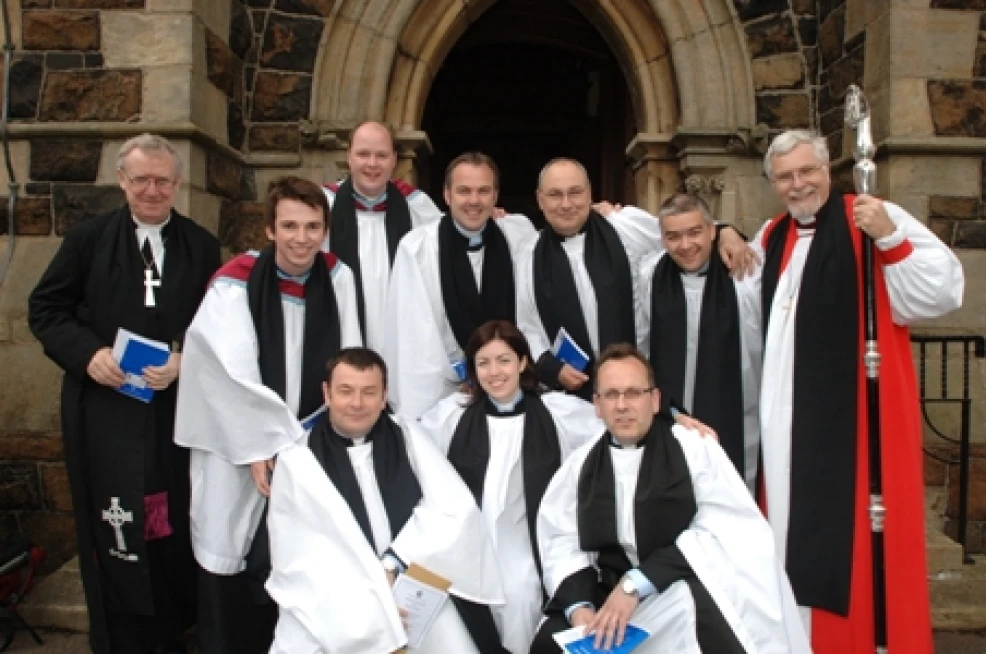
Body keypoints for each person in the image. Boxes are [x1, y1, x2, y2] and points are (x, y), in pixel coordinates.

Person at [753, 129, 964, 653]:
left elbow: (942, 290)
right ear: (773, 184)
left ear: (828, 169)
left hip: (848, 422)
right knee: (782, 529)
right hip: (782, 425)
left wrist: (891, 237)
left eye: (807, 171)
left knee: (848, 543)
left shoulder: (868, 215)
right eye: (785, 176)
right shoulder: (769, 235)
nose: (798, 184)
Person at [28, 134, 220, 654]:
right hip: (105, 411)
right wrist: (88, 354)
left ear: (177, 184)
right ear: (122, 181)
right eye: (142, 180)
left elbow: (219, 327)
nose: (153, 190)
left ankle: (169, 627)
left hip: (169, 412)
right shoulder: (87, 241)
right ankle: (120, 635)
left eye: (163, 181)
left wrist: (185, 359)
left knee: (166, 514)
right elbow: (46, 309)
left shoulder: (201, 246)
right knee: (115, 516)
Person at [174, 176, 361, 654]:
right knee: (231, 542)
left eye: (313, 226)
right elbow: (222, 370)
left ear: (325, 230)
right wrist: (262, 442)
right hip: (239, 446)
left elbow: (352, 359)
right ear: (270, 230)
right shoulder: (234, 282)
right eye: (290, 226)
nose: (302, 238)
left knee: (306, 553)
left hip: (312, 437)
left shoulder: (339, 278)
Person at [530, 344, 809, 654]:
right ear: (596, 404)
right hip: (605, 593)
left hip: (675, 584)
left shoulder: (693, 449)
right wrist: (580, 607)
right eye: (611, 395)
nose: (622, 405)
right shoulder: (580, 465)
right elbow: (560, 538)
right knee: (548, 643)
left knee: (697, 620)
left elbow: (724, 526)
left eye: (633, 393)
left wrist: (636, 584)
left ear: (655, 399)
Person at [266, 347, 505, 653]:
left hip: (412, 579)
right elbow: (299, 554)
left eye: (369, 392)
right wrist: (373, 598)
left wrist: (396, 562)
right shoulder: (298, 460)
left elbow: (454, 510)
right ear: (326, 394)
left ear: (384, 396)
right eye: (345, 391)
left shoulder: (408, 436)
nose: (356, 403)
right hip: (339, 600)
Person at [419, 320, 604, 653]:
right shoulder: (450, 417)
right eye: (483, 362)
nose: (495, 372)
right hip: (471, 552)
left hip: (531, 550)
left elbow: (618, 421)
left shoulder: (558, 412)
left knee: (521, 599)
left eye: (504, 360)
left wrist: (673, 416)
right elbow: (408, 442)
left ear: (522, 363)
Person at [516, 158, 753, 402]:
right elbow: (527, 324)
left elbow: (681, 233)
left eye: (575, 192)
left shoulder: (624, 225)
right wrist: (552, 367)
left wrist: (725, 231)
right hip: (571, 396)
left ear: (589, 194)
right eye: (555, 195)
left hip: (637, 386)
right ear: (540, 199)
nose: (566, 204)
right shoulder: (528, 254)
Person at [385, 152, 536, 419]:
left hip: (512, 387)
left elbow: (531, 311)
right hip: (448, 395)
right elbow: (416, 338)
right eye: (464, 191)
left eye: (483, 191)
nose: (474, 201)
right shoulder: (418, 248)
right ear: (447, 195)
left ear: (495, 195)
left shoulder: (517, 236)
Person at [639, 193, 762, 490]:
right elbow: (642, 340)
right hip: (673, 412)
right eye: (673, 236)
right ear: (662, 238)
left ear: (712, 230)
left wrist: (730, 232)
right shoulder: (649, 274)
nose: (685, 245)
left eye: (695, 232)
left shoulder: (745, 270)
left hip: (740, 408)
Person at [322, 121, 443, 353]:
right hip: (341, 334)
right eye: (363, 154)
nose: (372, 164)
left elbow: (452, 242)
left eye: (381, 155)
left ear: (395, 160)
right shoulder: (324, 205)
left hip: (404, 344)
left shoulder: (417, 207)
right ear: (349, 156)